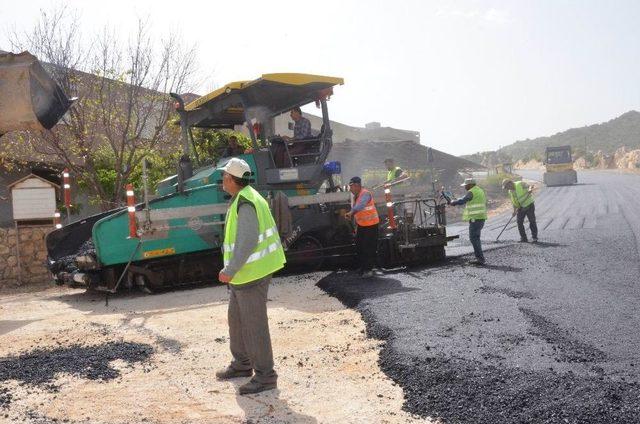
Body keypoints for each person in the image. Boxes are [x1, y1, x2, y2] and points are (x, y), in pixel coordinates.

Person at [215, 157, 286, 395]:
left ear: (231, 179)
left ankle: (266, 376)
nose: (222, 180)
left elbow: (247, 241)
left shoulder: (245, 202)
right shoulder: (244, 197)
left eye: (224, 176)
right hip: (244, 276)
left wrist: (230, 270)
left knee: (254, 325)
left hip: (251, 274)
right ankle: (242, 364)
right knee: (236, 319)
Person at [445, 178, 487, 265]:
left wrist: (452, 202)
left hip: (475, 219)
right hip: (481, 218)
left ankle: (480, 259)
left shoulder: (472, 191)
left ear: (470, 185)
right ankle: (480, 258)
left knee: (474, 238)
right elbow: (466, 199)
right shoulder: (480, 190)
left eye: (466, 185)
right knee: (476, 238)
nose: (465, 187)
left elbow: (463, 200)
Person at [345, 176, 380, 277]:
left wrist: (351, 213)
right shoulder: (356, 195)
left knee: (368, 248)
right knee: (360, 246)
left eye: (351, 187)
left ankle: (368, 270)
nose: (350, 189)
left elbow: (360, 206)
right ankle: (363, 267)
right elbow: (358, 211)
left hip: (371, 225)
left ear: (357, 186)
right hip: (362, 225)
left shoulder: (365, 194)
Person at [502, 178, 538, 243]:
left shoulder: (519, 184)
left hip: (529, 205)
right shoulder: (510, 192)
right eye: (506, 188)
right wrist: (514, 211)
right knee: (519, 222)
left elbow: (530, 186)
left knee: (532, 221)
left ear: (510, 183)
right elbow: (513, 202)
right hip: (520, 208)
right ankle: (524, 238)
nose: (507, 188)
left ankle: (534, 237)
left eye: (506, 187)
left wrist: (530, 189)